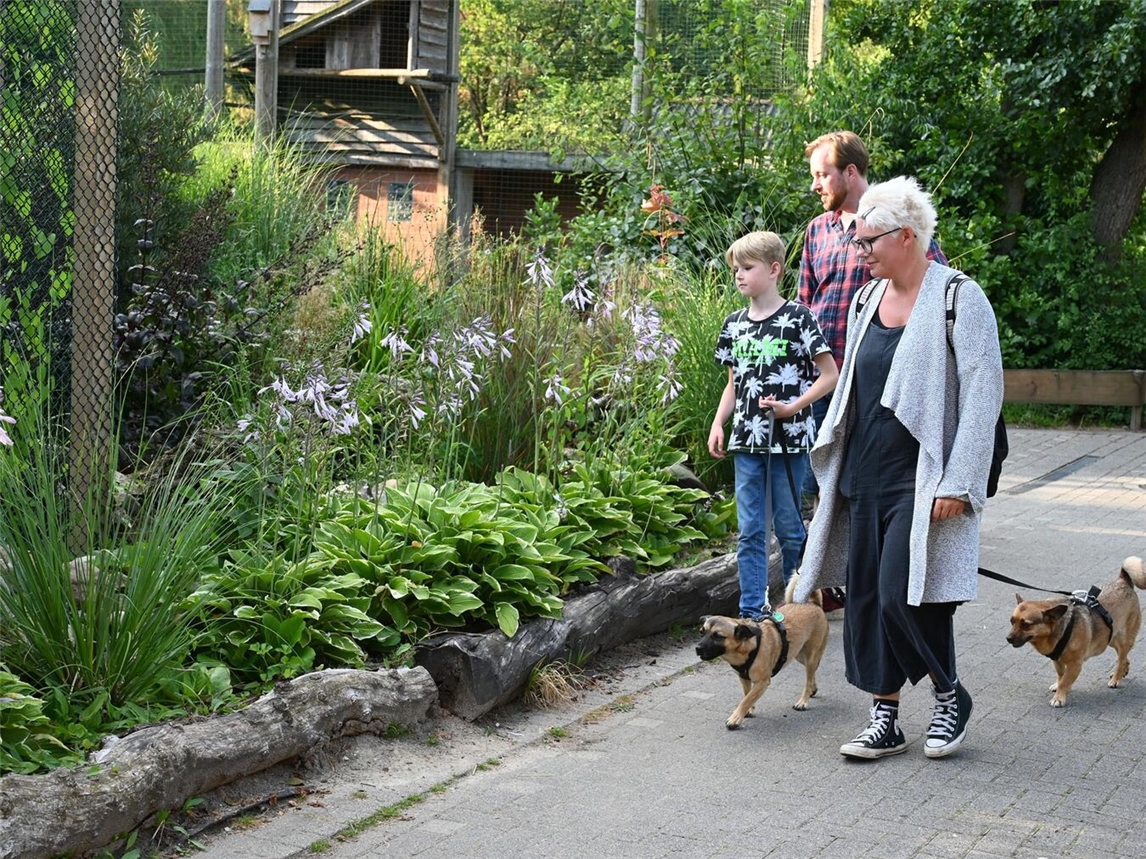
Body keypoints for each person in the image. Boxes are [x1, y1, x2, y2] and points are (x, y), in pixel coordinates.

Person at [793, 176, 1004, 760]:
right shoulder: (866, 300)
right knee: (862, 598)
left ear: (906, 237)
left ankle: (949, 696)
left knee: (906, 594)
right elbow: (855, 391)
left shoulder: (960, 297)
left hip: (926, 476)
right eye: (857, 242)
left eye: (867, 243)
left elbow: (985, 394)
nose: (858, 252)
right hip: (864, 472)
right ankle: (885, 716)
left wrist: (961, 480)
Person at [797, 131, 948, 612]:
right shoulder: (817, 231)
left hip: (872, 388)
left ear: (851, 173)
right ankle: (819, 582)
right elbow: (803, 305)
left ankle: (862, 580)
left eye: (823, 174)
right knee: (815, 484)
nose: (817, 184)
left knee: (858, 486)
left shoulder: (897, 230)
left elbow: (931, 294)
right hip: (821, 385)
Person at [709, 231, 838, 621]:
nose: (739, 275)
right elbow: (733, 384)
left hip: (788, 441)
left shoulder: (799, 317)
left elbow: (830, 375)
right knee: (750, 531)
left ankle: (799, 606)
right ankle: (753, 611)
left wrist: (791, 408)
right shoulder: (734, 325)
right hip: (746, 440)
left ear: (774, 269)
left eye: (747, 268)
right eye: (736, 269)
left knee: (788, 526)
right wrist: (719, 422)